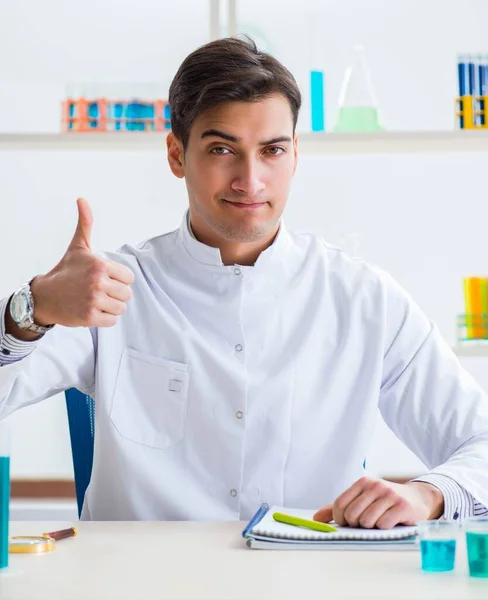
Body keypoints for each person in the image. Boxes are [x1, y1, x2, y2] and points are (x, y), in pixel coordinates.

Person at [1, 37, 487, 527]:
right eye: (221, 149)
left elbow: (480, 442)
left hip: (310, 578)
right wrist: (33, 308)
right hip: (140, 582)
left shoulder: (363, 299)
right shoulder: (110, 289)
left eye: (272, 150)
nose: (249, 180)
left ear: (295, 154)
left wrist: (430, 494)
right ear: (176, 154)